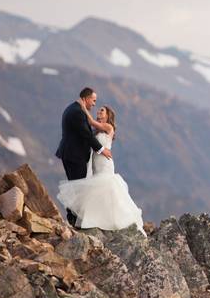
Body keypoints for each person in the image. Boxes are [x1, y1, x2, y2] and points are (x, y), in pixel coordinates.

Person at [57, 104, 146, 233]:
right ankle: (97, 218)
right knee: (97, 190)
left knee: (105, 186)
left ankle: (113, 219)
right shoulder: (96, 131)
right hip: (96, 162)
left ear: (108, 115)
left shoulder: (108, 127)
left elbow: (91, 121)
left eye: (102, 111)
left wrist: (83, 107)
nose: (99, 111)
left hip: (105, 162)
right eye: (99, 110)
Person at [55, 87, 111, 226]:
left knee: (77, 187)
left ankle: (74, 218)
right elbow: (86, 134)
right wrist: (101, 149)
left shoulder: (75, 110)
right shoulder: (77, 112)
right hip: (74, 156)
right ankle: (72, 218)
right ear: (85, 99)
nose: (94, 104)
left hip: (73, 155)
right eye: (93, 100)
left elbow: (89, 127)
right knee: (78, 188)